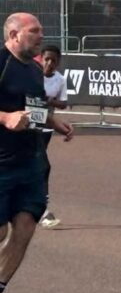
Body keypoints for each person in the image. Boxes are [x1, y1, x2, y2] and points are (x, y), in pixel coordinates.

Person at [0, 14, 73, 293]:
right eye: (34, 31)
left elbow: (37, 106)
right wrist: (4, 118)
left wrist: (54, 122)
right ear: (14, 34)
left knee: (26, 225)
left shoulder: (33, 69)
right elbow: (12, 113)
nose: (41, 36)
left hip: (29, 161)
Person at [38, 44, 68, 229]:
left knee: (40, 166)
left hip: (45, 129)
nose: (49, 63)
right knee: (41, 166)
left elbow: (63, 103)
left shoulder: (60, 80)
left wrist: (50, 101)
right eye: (47, 59)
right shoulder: (31, 74)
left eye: (54, 61)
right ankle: (42, 211)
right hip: (27, 127)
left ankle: (40, 210)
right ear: (41, 58)